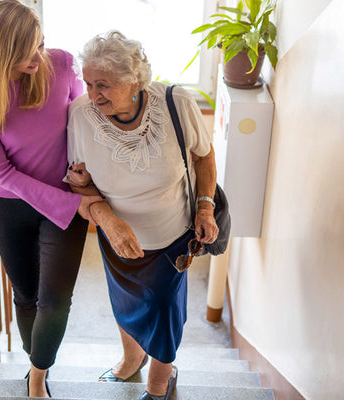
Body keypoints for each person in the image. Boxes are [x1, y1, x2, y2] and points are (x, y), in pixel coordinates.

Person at [0, 1, 102, 397]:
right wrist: (71, 204)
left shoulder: (61, 64)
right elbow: (0, 172)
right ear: (1, 51)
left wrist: (84, 181)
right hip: (11, 205)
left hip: (67, 199)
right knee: (26, 295)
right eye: (28, 51)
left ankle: (37, 376)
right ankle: (36, 358)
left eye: (41, 44)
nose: (40, 56)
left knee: (55, 299)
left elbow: (82, 123)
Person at [65, 31, 219, 400]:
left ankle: (158, 381)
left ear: (134, 79)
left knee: (164, 309)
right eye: (88, 83)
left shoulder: (176, 102)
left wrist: (205, 206)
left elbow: (204, 156)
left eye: (104, 84)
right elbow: (79, 181)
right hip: (116, 236)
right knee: (126, 301)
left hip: (173, 237)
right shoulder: (81, 116)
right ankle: (132, 358)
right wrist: (106, 219)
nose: (93, 93)